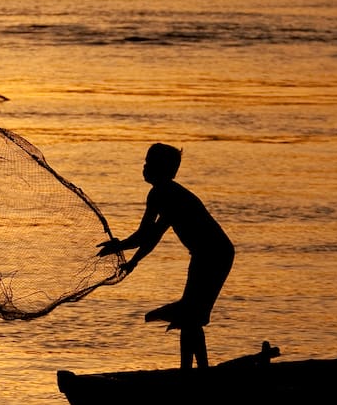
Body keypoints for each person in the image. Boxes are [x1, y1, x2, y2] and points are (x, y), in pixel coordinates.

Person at [97, 143, 234, 369]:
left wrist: (119, 246)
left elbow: (143, 235)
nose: (144, 167)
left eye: (149, 163)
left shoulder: (164, 194)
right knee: (191, 316)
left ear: (162, 169)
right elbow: (153, 235)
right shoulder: (164, 193)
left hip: (213, 255)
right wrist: (133, 261)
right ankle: (194, 371)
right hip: (208, 254)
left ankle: (193, 373)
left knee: (191, 316)